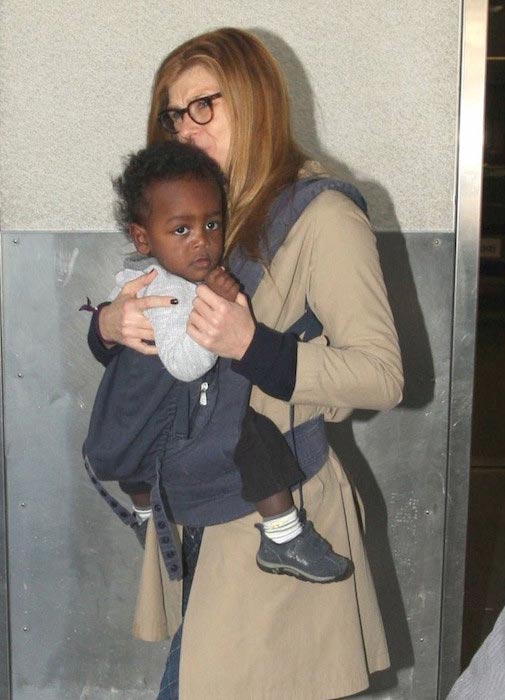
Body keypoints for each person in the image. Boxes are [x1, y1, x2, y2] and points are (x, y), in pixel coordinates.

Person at [87, 27, 403, 700]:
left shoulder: (321, 216)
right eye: (173, 113)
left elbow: (379, 374)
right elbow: (164, 341)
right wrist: (108, 329)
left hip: (273, 516)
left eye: (205, 104)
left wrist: (250, 344)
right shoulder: (205, 207)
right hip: (198, 505)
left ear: (256, 101)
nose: (184, 126)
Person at [88, 138, 351, 584]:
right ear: (141, 237)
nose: (202, 243)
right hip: (156, 412)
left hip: (147, 413)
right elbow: (184, 364)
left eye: (212, 224)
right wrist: (219, 323)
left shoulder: (157, 270)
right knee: (254, 438)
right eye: (181, 231)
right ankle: (283, 535)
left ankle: (145, 514)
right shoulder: (165, 292)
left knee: (143, 466)